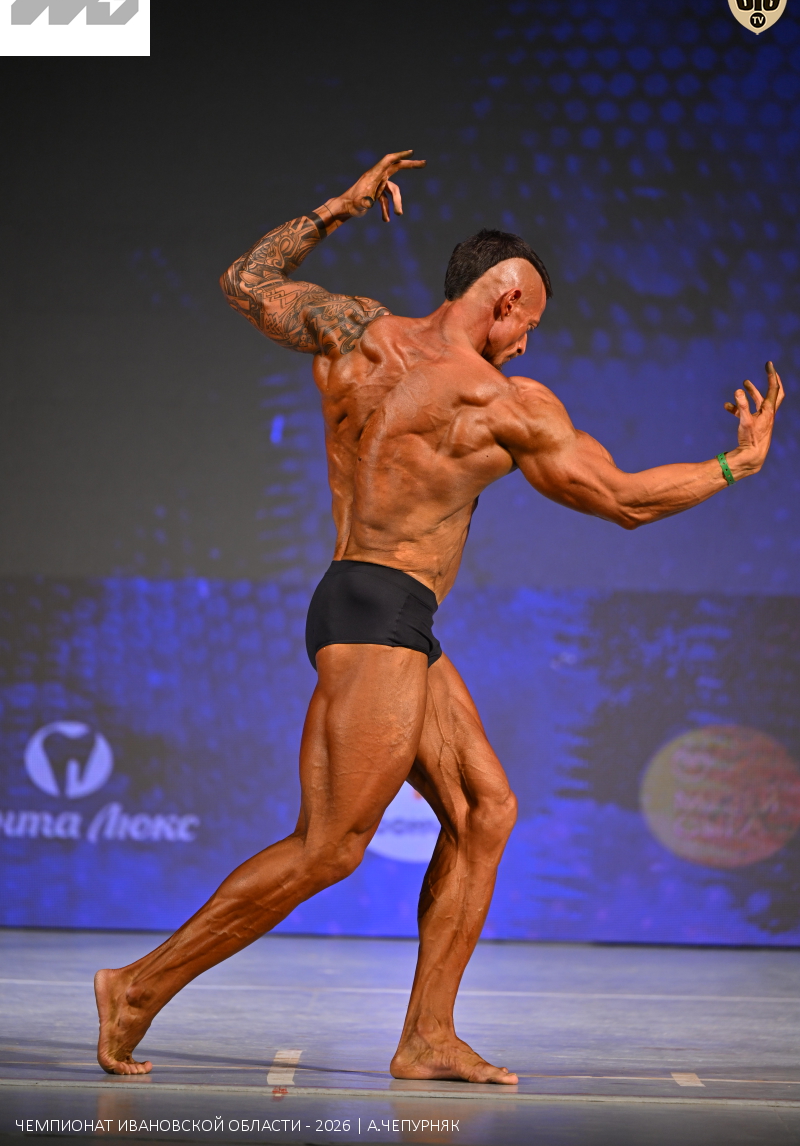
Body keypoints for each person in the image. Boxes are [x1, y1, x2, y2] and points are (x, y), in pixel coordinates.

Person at [95, 150, 784, 1082]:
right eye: (530, 323)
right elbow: (623, 500)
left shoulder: (356, 333)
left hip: (377, 610)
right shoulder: (503, 403)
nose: (528, 344)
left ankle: (427, 1035)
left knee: (483, 811)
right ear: (505, 298)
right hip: (379, 614)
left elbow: (245, 282)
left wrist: (337, 208)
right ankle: (136, 988)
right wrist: (737, 464)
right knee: (330, 847)